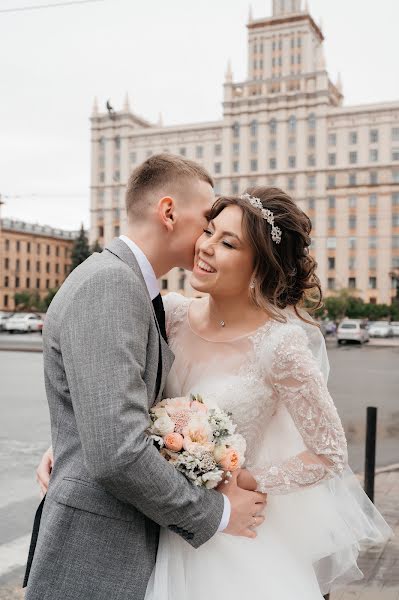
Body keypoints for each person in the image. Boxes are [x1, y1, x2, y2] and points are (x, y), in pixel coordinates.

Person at [24, 154, 267, 600]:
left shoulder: (133, 286)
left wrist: (70, 440)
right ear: (170, 212)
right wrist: (215, 514)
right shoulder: (110, 285)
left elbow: (110, 413)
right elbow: (117, 452)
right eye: (207, 218)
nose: (209, 235)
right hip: (95, 555)